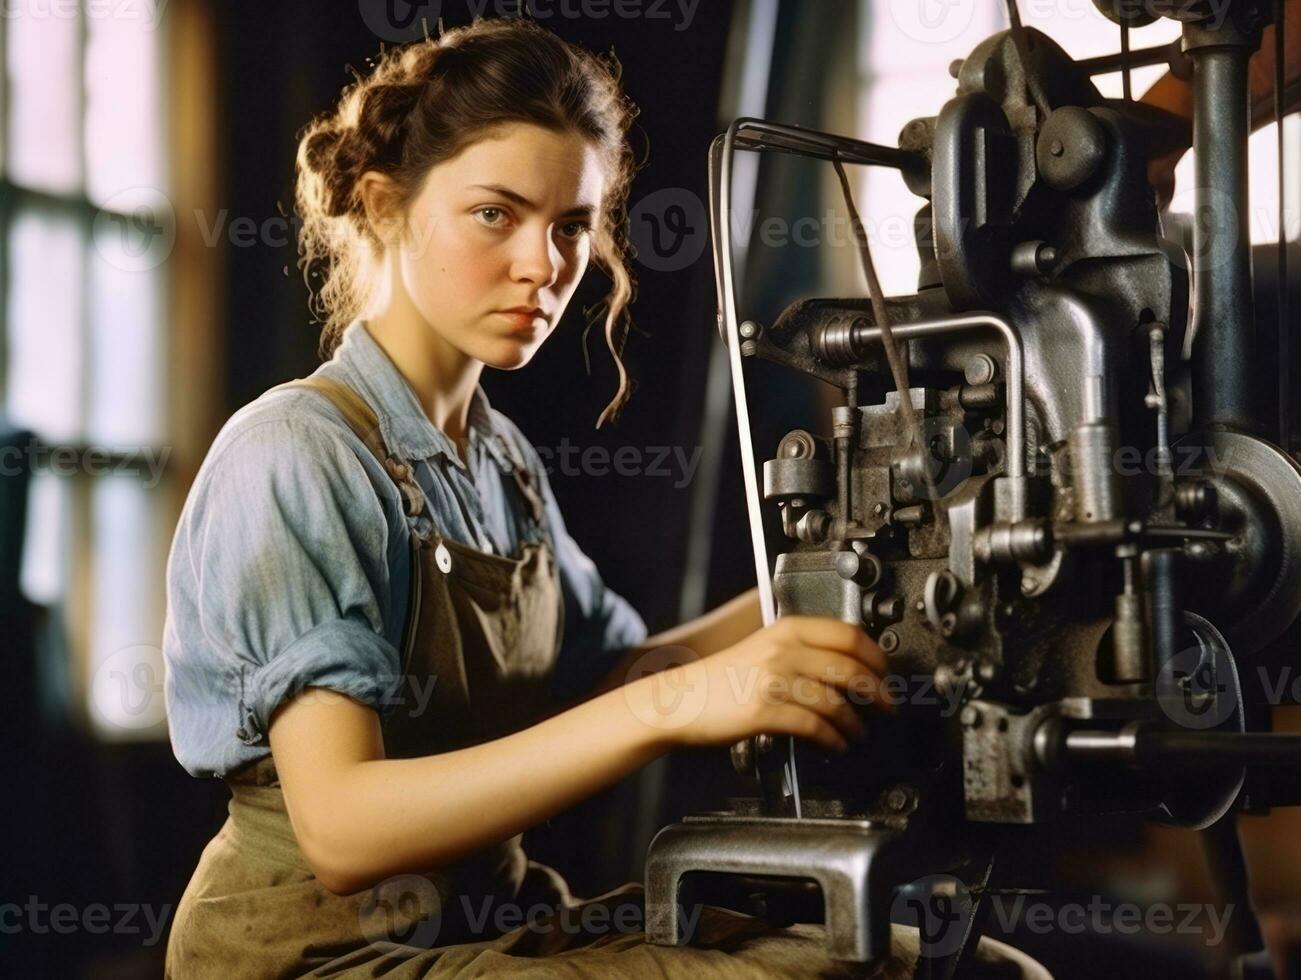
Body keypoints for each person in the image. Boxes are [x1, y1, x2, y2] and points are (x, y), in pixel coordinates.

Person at [161, 16, 1050, 978]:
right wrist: (676, 701)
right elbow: (343, 832)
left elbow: (616, 679)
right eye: (495, 214)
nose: (545, 267)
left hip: (486, 925)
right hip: (325, 959)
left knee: (971, 969)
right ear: (383, 208)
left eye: (571, 226)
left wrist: (863, 573)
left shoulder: (496, 460)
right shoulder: (298, 454)